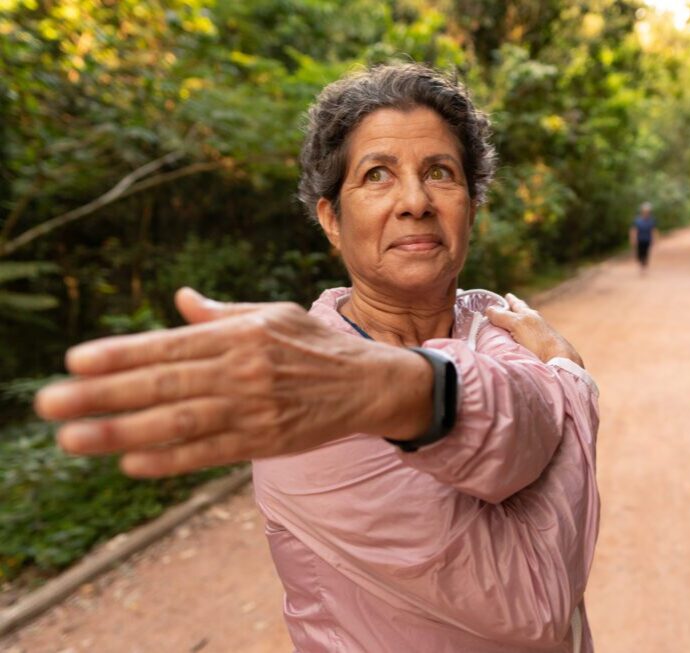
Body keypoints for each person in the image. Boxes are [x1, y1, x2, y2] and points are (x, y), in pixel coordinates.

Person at [35, 64, 600, 653]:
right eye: (377, 175)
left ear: (472, 205)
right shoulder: (307, 396)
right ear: (331, 218)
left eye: (440, 172)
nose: (415, 201)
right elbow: (533, 599)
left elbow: (523, 434)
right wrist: (571, 379)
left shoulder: (488, 318)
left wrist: (435, 393)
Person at [629, 201, 660, 273]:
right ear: (642, 212)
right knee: (639, 253)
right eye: (645, 211)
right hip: (639, 239)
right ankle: (641, 261)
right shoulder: (637, 220)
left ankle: (644, 263)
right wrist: (633, 239)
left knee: (646, 252)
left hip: (647, 239)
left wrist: (655, 239)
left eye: (647, 211)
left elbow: (653, 230)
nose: (646, 213)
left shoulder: (652, 220)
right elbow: (633, 230)